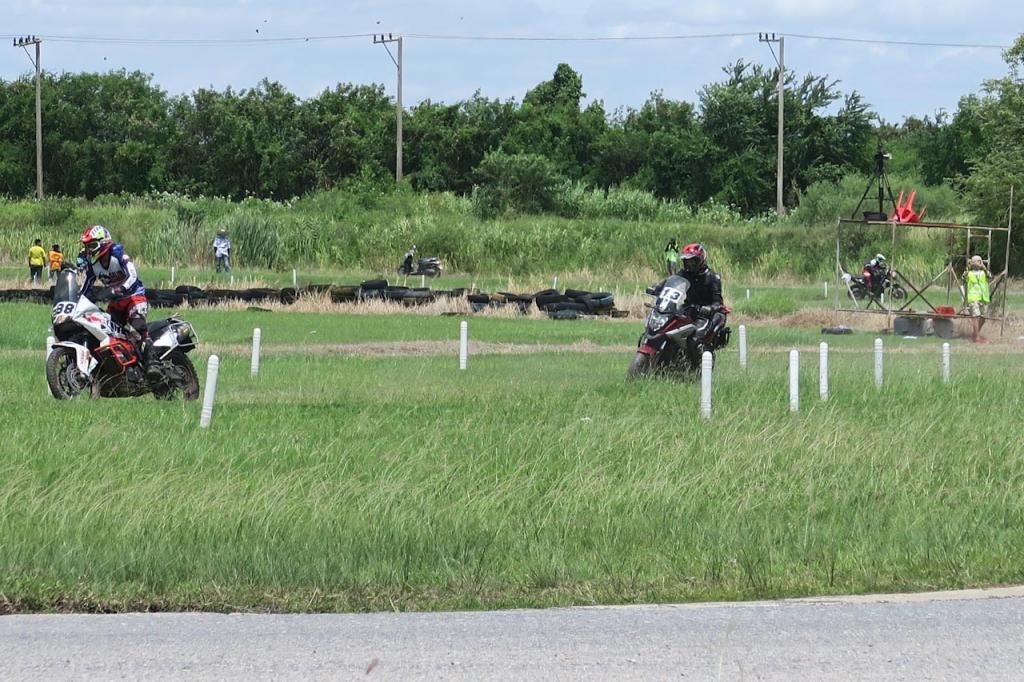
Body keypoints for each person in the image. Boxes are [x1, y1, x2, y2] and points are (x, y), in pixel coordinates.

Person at [79, 225, 158, 378]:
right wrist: (77, 300)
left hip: (134, 297)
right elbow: (86, 287)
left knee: (137, 328)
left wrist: (121, 288)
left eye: (92, 246)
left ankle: (152, 362)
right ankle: (123, 366)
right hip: (115, 303)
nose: (89, 250)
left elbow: (133, 276)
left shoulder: (118, 255)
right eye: (87, 247)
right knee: (106, 331)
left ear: (103, 243)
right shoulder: (93, 266)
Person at [650, 242, 727, 337]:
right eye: (687, 262)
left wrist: (709, 308)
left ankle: (700, 346)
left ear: (701, 260)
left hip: (706, 314)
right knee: (669, 325)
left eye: (693, 261)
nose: (690, 265)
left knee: (695, 336)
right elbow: (671, 280)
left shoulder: (712, 277)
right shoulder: (685, 273)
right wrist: (658, 287)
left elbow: (718, 302)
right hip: (689, 308)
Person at [964, 254, 990, 343]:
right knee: (975, 317)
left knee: (983, 318)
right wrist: (968, 267)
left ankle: (975, 334)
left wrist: (984, 267)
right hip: (973, 297)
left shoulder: (983, 273)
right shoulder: (969, 273)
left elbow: (990, 276)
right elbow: (963, 277)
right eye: (975, 261)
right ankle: (977, 337)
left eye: (979, 261)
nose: (977, 263)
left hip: (983, 297)